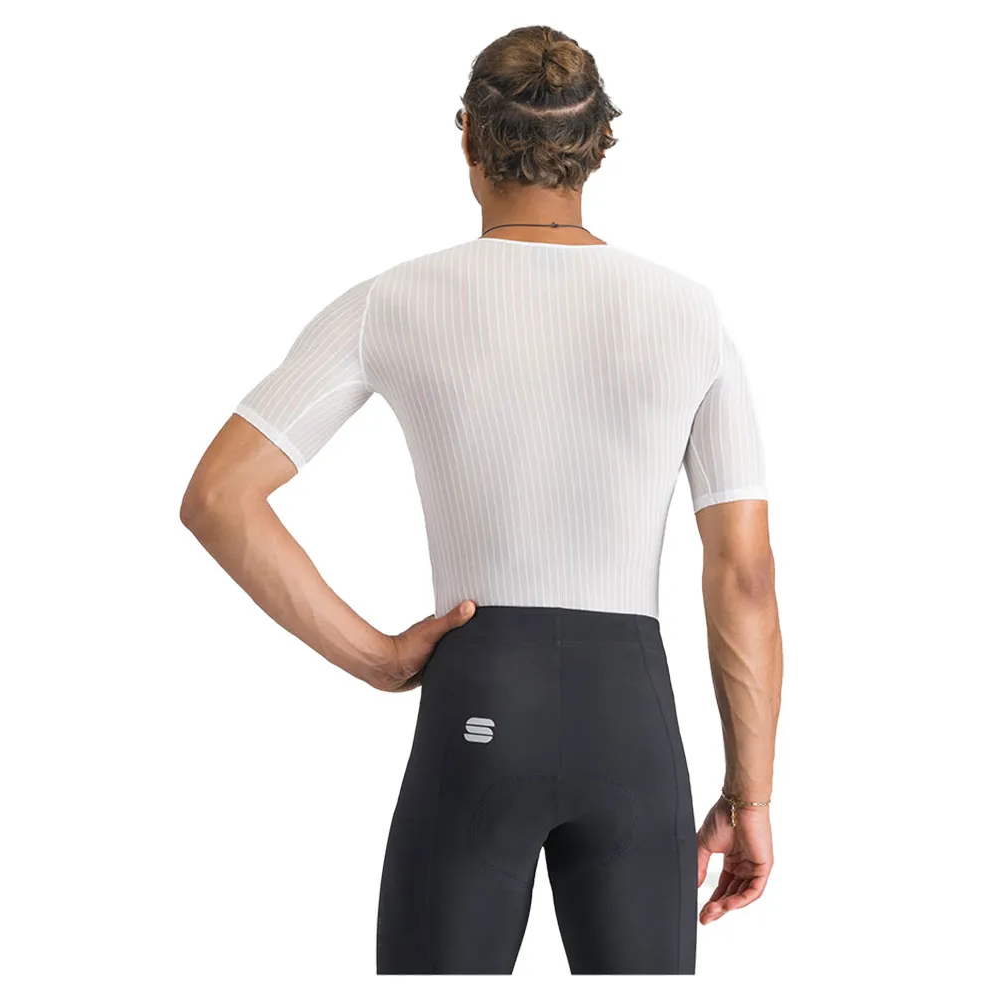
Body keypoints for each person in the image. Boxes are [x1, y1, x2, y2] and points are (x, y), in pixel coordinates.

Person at [180, 24, 782, 976]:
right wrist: (750, 798)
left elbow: (220, 495)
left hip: (478, 701)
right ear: (601, 141)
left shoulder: (394, 301)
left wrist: (378, 656)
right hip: (630, 723)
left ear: (467, 133)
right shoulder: (687, 314)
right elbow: (743, 575)